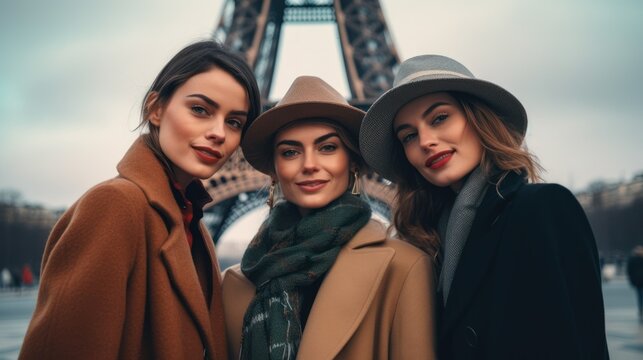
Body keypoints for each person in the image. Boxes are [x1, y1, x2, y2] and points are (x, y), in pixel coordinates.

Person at [19, 40, 261, 360]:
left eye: (234, 122)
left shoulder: (190, 222)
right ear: (156, 109)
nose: (219, 132)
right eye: (200, 109)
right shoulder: (114, 206)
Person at [360, 55, 609, 359]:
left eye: (439, 118)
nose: (425, 141)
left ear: (477, 119)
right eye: (409, 135)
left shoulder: (543, 209)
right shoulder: (429, 237)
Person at [221, 76, 435, 360]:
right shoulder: (234, 284)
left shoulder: (405, 268)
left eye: (328, 147)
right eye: (290, 152)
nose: (309, 165)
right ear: (274, 171)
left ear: (353, 162)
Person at [626, 245, 643, 321]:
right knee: (640, 295)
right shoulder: (633, 260)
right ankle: (641, 309)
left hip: (637, 281)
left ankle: (641, 309)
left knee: (640, 296)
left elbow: (629, 271)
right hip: (639, 281)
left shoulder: (632, 259)